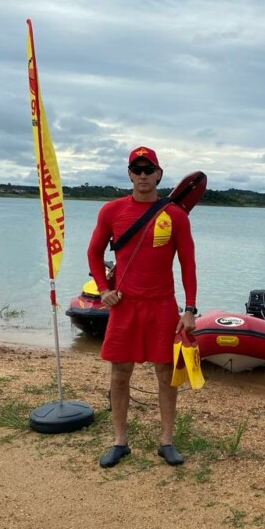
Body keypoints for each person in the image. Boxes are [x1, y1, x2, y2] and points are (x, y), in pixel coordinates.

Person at [87, 146, 197, 468]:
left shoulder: (175, 215)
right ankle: (120, 441)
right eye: (138, 170)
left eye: (149, 170)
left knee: (166, 374)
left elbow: (188, 264)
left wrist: (190, 308)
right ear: (130, 174)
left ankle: (166, 441)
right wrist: (103, 289)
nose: (144, 175)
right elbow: (94, 253)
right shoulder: (112, 211)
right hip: (125, 306)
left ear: (159, 174)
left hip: (163, 305)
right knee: (120, 373)